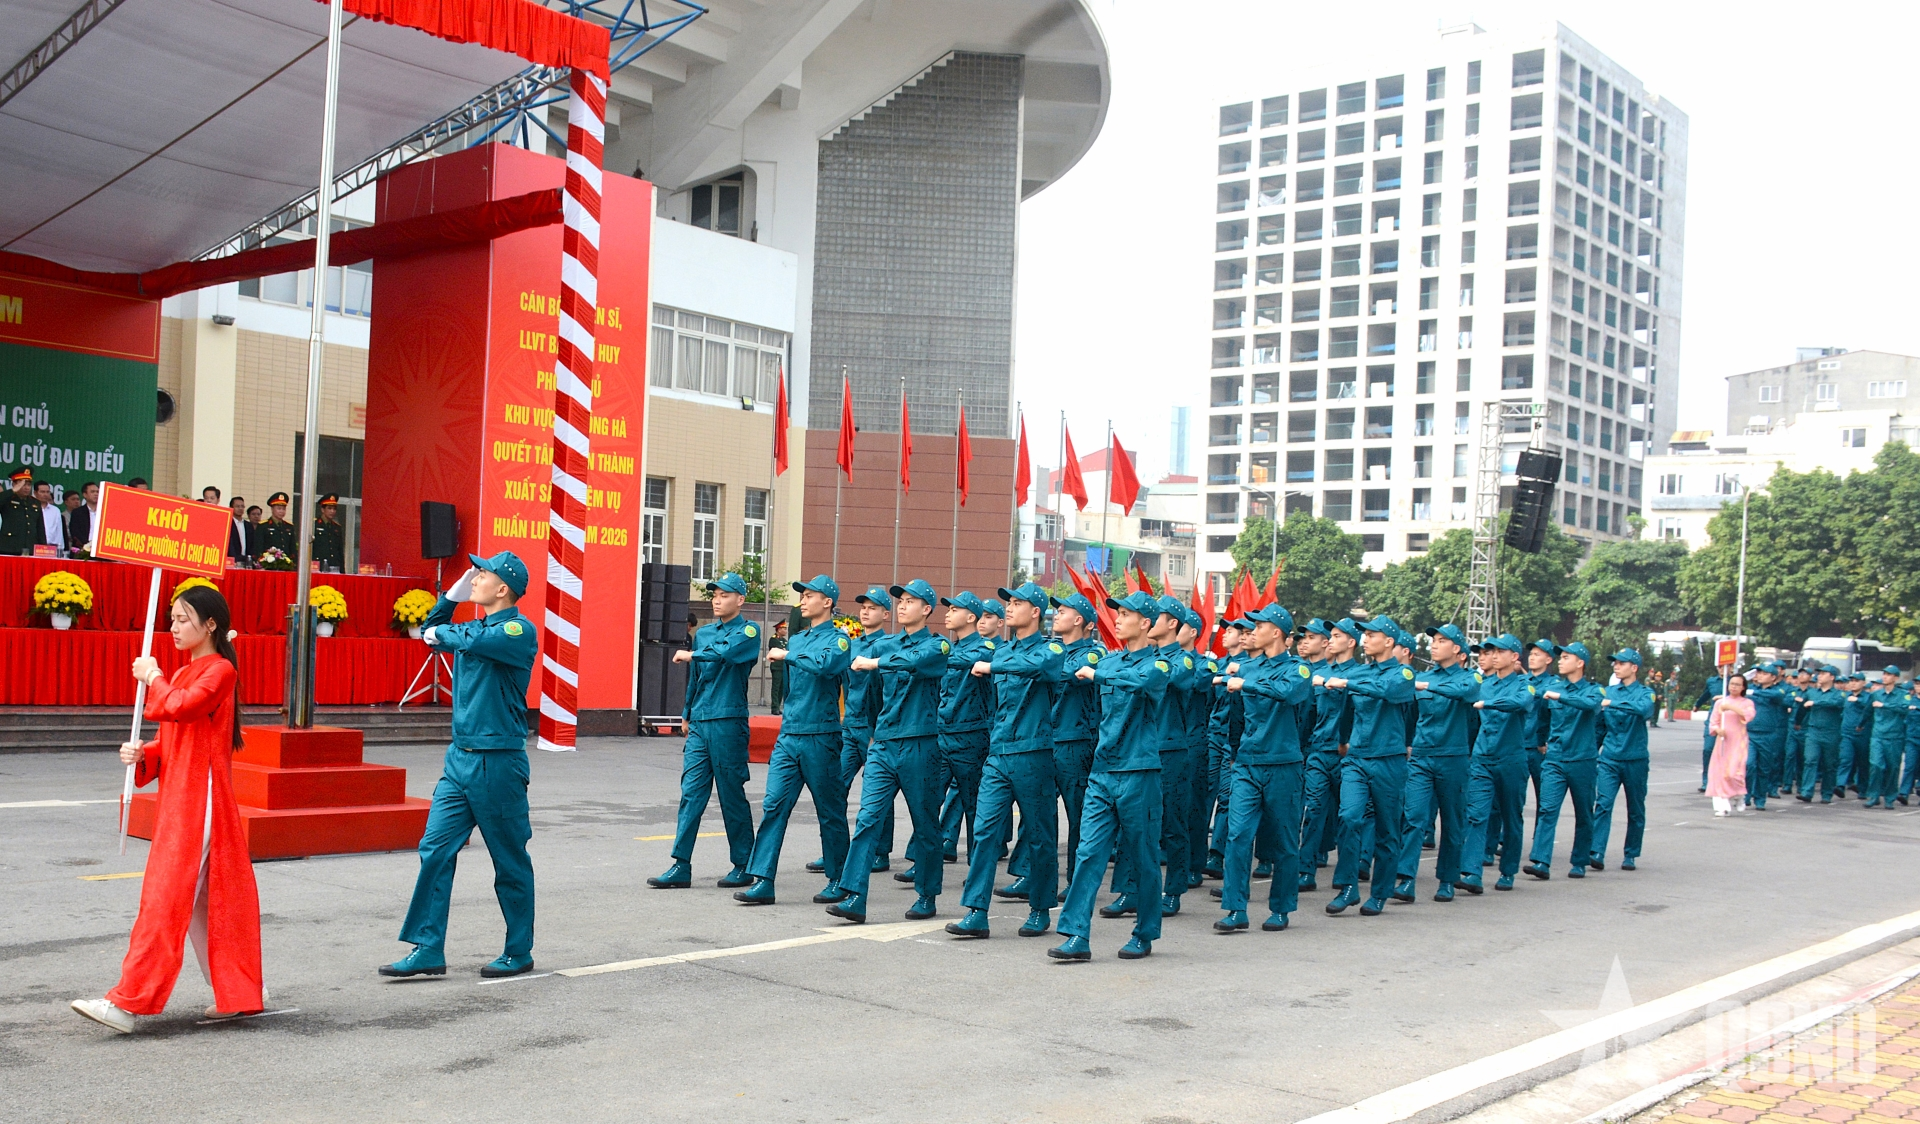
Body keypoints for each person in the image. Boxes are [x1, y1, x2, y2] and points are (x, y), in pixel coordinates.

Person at [71, 585, 264, 1033]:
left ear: (210, 624)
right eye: (172, 619)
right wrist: (146, 755)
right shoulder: (184, 672)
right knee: (205, 904)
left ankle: (129, 1002)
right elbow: (177, 735)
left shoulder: (218, 672)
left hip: (200, 802)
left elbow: (181, 708)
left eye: (182, 619)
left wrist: (151, 676)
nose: (173, 627)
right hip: (183, 798)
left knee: (164, 898)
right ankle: (238, 991)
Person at [383, 552, 539, 979]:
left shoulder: (515, 629)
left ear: (503, 588)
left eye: (482, 574)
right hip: (460, 760)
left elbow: (454, 639)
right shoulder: (475, 626)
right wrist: (448, 599)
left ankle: (518, 950)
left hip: (498, 762)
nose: (474, 578)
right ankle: (428, 947)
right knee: (435, 849)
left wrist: (444, 629)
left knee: (508, 860)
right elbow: (431, 631)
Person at [1049, 590, 1171, 962]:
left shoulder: (1160, 664)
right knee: (1088, 853)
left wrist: (1103, 671)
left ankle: (1145, 932)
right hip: (1103, 772)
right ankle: (1075, 935)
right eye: (1116, 613)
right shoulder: (1112, 660)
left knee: (1143, 856)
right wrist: (1107, 669)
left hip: (1139, 771)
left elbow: (1144, 679)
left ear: (1146, 623)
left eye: (1127, 614)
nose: (1117, 618)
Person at [828, 579, 950, 923]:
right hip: (884, 743)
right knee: (868, 818)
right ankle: (854, 895)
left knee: (925, 824)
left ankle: (927, 894)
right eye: (900, 600)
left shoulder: (937, 646)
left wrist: (876, 663)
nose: (902, 605)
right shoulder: (886, 644)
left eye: (910, 601)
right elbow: (870, 696)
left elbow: (915, 660)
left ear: (927, 609)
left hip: (920, 744)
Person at [947, 583, 1064, 939]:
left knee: (1040, 836)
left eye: (1018, 604)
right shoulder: (1003, 650)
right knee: (984, 833)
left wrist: (992, 662)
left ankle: (1040, 907)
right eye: (1008, 603)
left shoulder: (1051, 649)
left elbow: (1037, 665)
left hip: (1034, 753)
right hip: (999, 753)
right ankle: (976, 911)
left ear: (1036, 612)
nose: (1009, 609)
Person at [735, 577, 851, 906]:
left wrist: (788, 657)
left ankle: (839, 877)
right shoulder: (798, 640)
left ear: (827, 602)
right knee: (774, 806)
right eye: (803, 595)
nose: (803, 600)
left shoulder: (839, 641)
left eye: (810, 596)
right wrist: (790, 654)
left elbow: (827, 667)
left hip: (820, 735)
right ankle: (763, 880)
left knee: (829, 810)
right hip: (790, 734)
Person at [650, 573, 760, 889]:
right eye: (714, 594)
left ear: (740, 600)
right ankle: (680, 864)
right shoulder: (704, 634)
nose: (716, 599)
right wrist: (686, 713)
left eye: (725, 594)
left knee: (731, 796)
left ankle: (744, 863)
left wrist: (693, 654)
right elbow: (696, 679)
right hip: (701, 721)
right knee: (691, 793)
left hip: (728, 721)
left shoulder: (749, 631)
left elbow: (726, 653)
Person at [1215, 602, 1311, 933]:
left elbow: (1289, 693)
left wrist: (1247, 684)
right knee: (1238, 835)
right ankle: (1236, 908)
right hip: (1247, 763)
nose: (1252, 631)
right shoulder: (1247, 668)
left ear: (1277, 632)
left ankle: (1281, 908)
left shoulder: (1298, 669)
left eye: (1259, 625)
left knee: (1284, 840)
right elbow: (1238, 716)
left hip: (1283, 764)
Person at [1322, 615, 1415, 917]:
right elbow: (1349, 710)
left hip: (1389, 760)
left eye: (1372, 635)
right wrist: (1344, 740)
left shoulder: (1403, 674)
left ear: (1389, 641)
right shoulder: (1362, 674)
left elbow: (1390, 692)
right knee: (1349, 816)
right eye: (1364, 634)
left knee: (1388, 830)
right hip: (1357, 759)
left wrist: (1349, 681)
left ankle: (1380, 893)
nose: (1365, 639)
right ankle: (1348, 886)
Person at [1392, 623, 1478, 904]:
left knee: (1453, 822)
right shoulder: (1422, 678)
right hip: (1421, 757)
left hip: (1453, 757)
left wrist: (1428, 684)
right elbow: (1411, 716)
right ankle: (1405, 879)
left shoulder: (1470, 679)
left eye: (1442, 641)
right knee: (1414, 817)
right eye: (1434, 640)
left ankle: (1447, 880)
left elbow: (1468, 699)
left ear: (1457, 649)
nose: (1435, 645)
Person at [1457, 634, 1533, 893]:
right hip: (1482, 759)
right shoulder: (1483, 684)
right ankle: (1471, 873)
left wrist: (1488, 703)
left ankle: (1508, 870)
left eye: (1500, 651)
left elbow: (1519, 703)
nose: (1494, 656)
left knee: (1512, 817)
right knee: (1476, 815)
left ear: (1514, 657)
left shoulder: (1525, 684)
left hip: (1511, 760)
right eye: (1492, 651)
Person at [832, 588, 895, 876]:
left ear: (886, 613)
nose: (866, 612)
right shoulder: (852, 645)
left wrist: (876, 728)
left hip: (875, 730)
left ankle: (881, 851)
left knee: (879, 792)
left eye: (873, 607)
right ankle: (836, 850)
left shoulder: (890, 646)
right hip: (850, 726)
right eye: (863, 607)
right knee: (835, 787)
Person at [1525, 642, 1601, 880]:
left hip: (1582, 760)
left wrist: (1561, 696)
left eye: (1566, 657)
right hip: (1555, 758)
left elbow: (1590, 706)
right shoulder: (1554, 688)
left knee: (1584, 812)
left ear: (1580, 663)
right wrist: (1541, 740)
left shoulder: (1594, 690)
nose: (1561, 661)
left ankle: (1579, 861)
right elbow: (1543, 717)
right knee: (1547, 809)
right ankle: (1540, 860)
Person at [1046, 592, 1103, 894]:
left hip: (1075, 742)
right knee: (1038, 815)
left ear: (1080, 620)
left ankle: (1075, 882)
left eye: (1063, 611)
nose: (1056, 615)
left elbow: (1067, 675)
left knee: (1078, 817)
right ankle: (1034, 875)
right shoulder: (1052, 651)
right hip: (1047, 740)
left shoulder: (1091, 655)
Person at [935, 592, 993, 868]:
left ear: (971, 617)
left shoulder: (984, 650)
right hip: (943, 733)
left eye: (954, 609)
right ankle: (926, 859)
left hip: (969, 737)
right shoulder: (952, 648)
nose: (947, 613)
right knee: (928, 799)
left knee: (973, 806)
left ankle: (977, 865)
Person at [1298, 619, 1355, 894]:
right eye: (1330, 635)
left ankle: (1346, 876)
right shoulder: (1318, 674)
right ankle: (1305, 870)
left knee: (1347, 816)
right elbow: (1308, 713)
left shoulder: (1360, 675)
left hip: (1348, 753)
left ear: (1351, 642)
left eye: (1337, 636)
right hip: (1320, 750)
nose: (1331, 640)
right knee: (1315, 810)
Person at [1590, 649, 1655, 872]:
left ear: (1634, 668)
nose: (1616, 666)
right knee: (1603, 803)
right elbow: (1600, 727)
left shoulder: (1646, 693)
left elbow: (1643, 710)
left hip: (1635, 759)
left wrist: (1612, 704)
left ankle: (1631, 854)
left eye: (1621, 663)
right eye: (1615, 663)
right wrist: (1592, 753)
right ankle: (1596, 850)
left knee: (1635, 808)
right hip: (1609, 757)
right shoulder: (1607, 692)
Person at [1797, 665, 1847, 804]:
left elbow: (1837, 703)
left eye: (1824, 673)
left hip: (1831, 733)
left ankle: (1827, 793)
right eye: (1819, 673)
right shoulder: (1812, 692)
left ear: (1832, 677)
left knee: (1829, 764)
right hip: (1813, 731)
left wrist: (1816, 703)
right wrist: (1798, 722)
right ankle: (1807, 792)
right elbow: (1803, 708)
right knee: (1810, 760)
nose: (1820, 676)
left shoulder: (1839, 693)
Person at [1744, 663, 1791, 808]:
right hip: (1750, 733)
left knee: (1764, 768)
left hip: (1768, 734)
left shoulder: (1778, 691)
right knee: (1749, 764)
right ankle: (1746, 795)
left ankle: (1760, 799)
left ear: (1773, 677)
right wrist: (1746, 680)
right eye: (1758, 673)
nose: (1760, 675)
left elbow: (1776, 696)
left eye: (1764, 673)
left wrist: (1751, 693)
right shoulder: (1751, 688)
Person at [1707, 675, 1754, 816]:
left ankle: (1739, 796)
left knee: (1734, 773)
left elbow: (1748, 716)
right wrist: (1717, 729)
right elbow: (1713, 721)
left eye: (1737, 684)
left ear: (1743, 687)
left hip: (1738, 742)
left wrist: (1730, 707)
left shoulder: (1747, 703)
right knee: (1719, 773)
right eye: (1732, 683)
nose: (1734, 687)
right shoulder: (1720, 703)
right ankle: (1722, 807)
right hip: (1722, 742)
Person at [1864, 666, 1909, 810]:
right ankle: (1873, 795)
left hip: (1895, 737)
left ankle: (1890, 797)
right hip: (1878, 735)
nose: (1885, 677)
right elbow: (1868, 710)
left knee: (1893, 767)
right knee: (1876, 765)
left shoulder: (1903, 694)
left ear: (1896, 678)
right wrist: (1860, 724)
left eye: (1889, 675)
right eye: (1884, 674)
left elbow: (1904, 708)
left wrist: (1885, 705)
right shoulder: (1876, 694)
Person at [1693, 667, 1725, 793]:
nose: (1723, 669)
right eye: (1721, 666)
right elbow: (1706, 694)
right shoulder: (1712, 681)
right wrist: (1697, 704)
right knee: (1708, 750)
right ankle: (1706, 781)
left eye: (1727, 666)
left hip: (1729, 722)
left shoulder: (1735, 681)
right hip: (1713, 720)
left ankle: (1723, 781)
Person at [0, 468, 37, 555]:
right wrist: (12, 491)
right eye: (22, 484)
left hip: (30, 547)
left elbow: (39, 528)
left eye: (28, 485)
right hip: (9, 547)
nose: (26, 488)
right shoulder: (7, 499)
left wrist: (42, 546)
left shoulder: (35, 502)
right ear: (14, 484)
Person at [255, 492, 297, 560]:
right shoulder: (263, 526)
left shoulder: (289, 526)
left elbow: (293, 548)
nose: (281, 511)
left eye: (283, 509)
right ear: (272, 509)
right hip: (268, 563)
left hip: (286, 564)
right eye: (279, 508)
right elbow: (258, 547)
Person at [312, 494, 346, 572]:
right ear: (323, 509)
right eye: (329, 508)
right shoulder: (314, 525)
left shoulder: (337, 527)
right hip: (318, 567)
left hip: (334, 567)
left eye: (334, 509)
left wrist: (342, 570)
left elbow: (340, 551)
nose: (332, 511)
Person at [33, 480, 66, 553]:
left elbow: (59, 532)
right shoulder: (31, 508)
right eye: (42, 492)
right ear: (35, 493)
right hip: (34, 547)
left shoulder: (55, 510)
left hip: (51, 549)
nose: (45, 494)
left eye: (47, 492)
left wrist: (60, 549)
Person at [67, 481, 100, 554]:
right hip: (83, 551)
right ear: (85, 495)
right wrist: (88, 546)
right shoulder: (78, 512)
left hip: (100, 551)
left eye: (97, 492)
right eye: (92, 492)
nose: (96, 494)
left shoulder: (104, 512)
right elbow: (75, 532)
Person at [766, 619, 790, 715]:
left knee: (781, 688)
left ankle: (778, 706)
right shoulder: (774, 639)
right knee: (776, 687)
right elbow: (779, 650)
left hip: (783, 667)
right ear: (778, 629)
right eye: (784, 628)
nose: (785, 630)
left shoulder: (784, 640)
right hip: (776, 666)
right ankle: (774, 707)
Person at [227, 497, 252, 564]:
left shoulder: (248, 525)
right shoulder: (228, 523)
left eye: (242, 506)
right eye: (237, 506)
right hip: (231, 561)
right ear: (231, 508)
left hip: (246, 561)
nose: (240, 508)